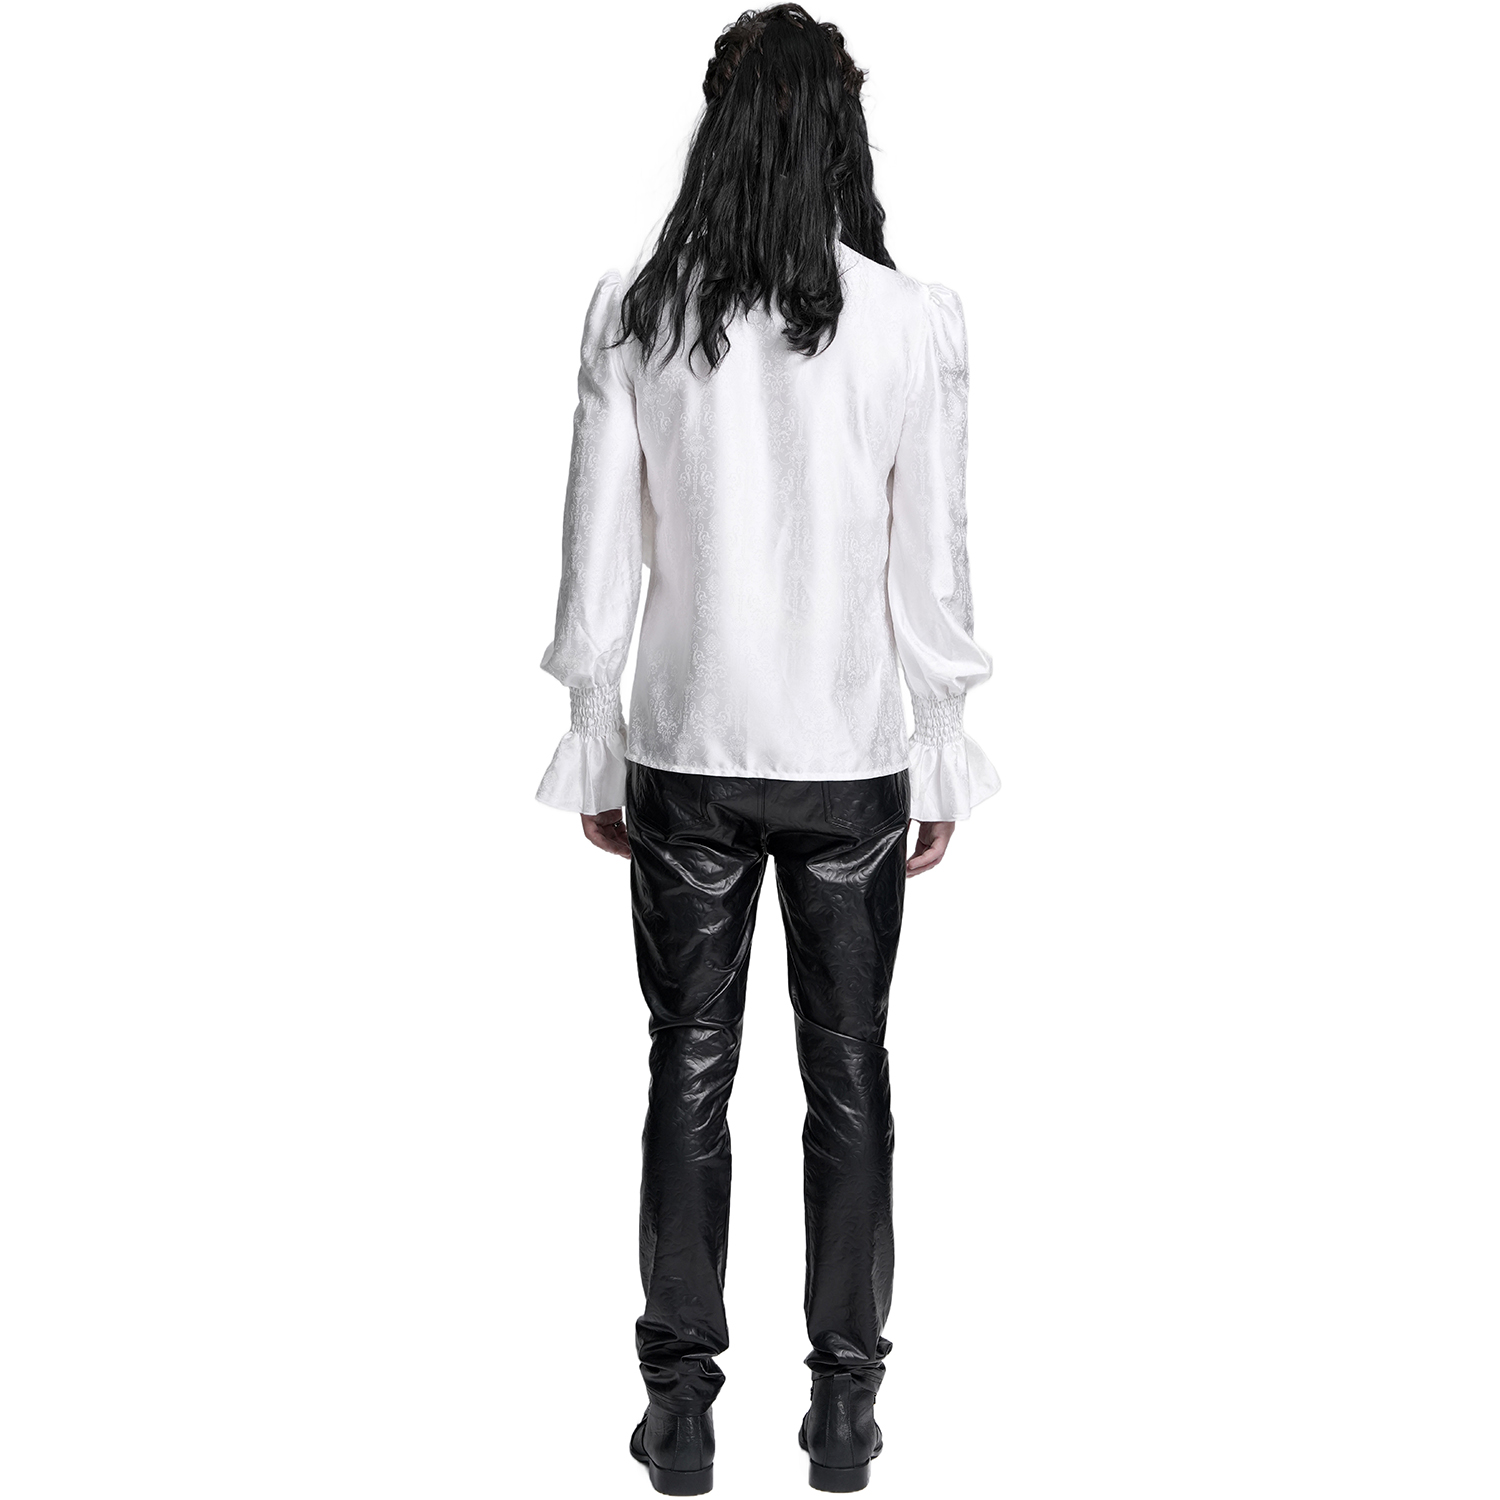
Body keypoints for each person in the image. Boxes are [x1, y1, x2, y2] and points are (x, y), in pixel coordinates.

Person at [534, 5, 998, 1491]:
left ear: (719, 125)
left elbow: (594, 547)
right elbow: (932, 559)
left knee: (687, 1066)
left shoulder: (638, 311)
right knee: (850, 1073)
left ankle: (678, 1408)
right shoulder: (909, 320)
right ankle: (847, 1406)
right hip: (848, 754)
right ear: (841, 131)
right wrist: (941, 739)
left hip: (690, 749)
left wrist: (596, 729)